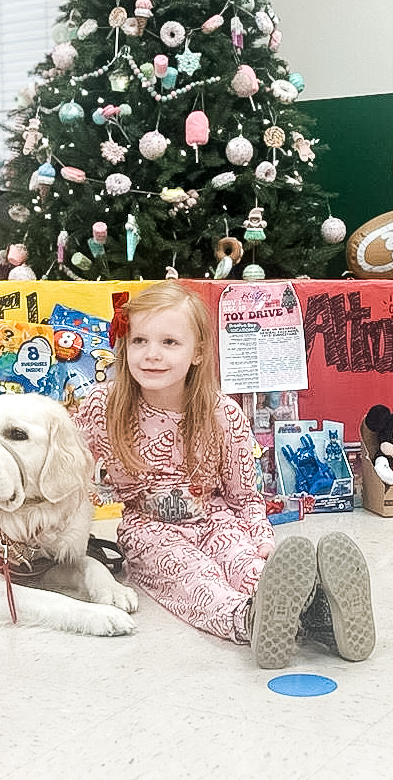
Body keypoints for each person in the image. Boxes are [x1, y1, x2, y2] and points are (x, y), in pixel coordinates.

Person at [75, 281, 375, 669]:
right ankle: (250, 620)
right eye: (139, 341)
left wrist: (261, 539)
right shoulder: (104, 406)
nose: (152, 355)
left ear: (198, 352)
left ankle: (322, 612)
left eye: (169, 342)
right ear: (125, 346)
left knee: (248, 566)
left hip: (216, 519)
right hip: (149, 529)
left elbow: (244, 497)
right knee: (195, 578)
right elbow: (65, 464)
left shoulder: (222, 414)